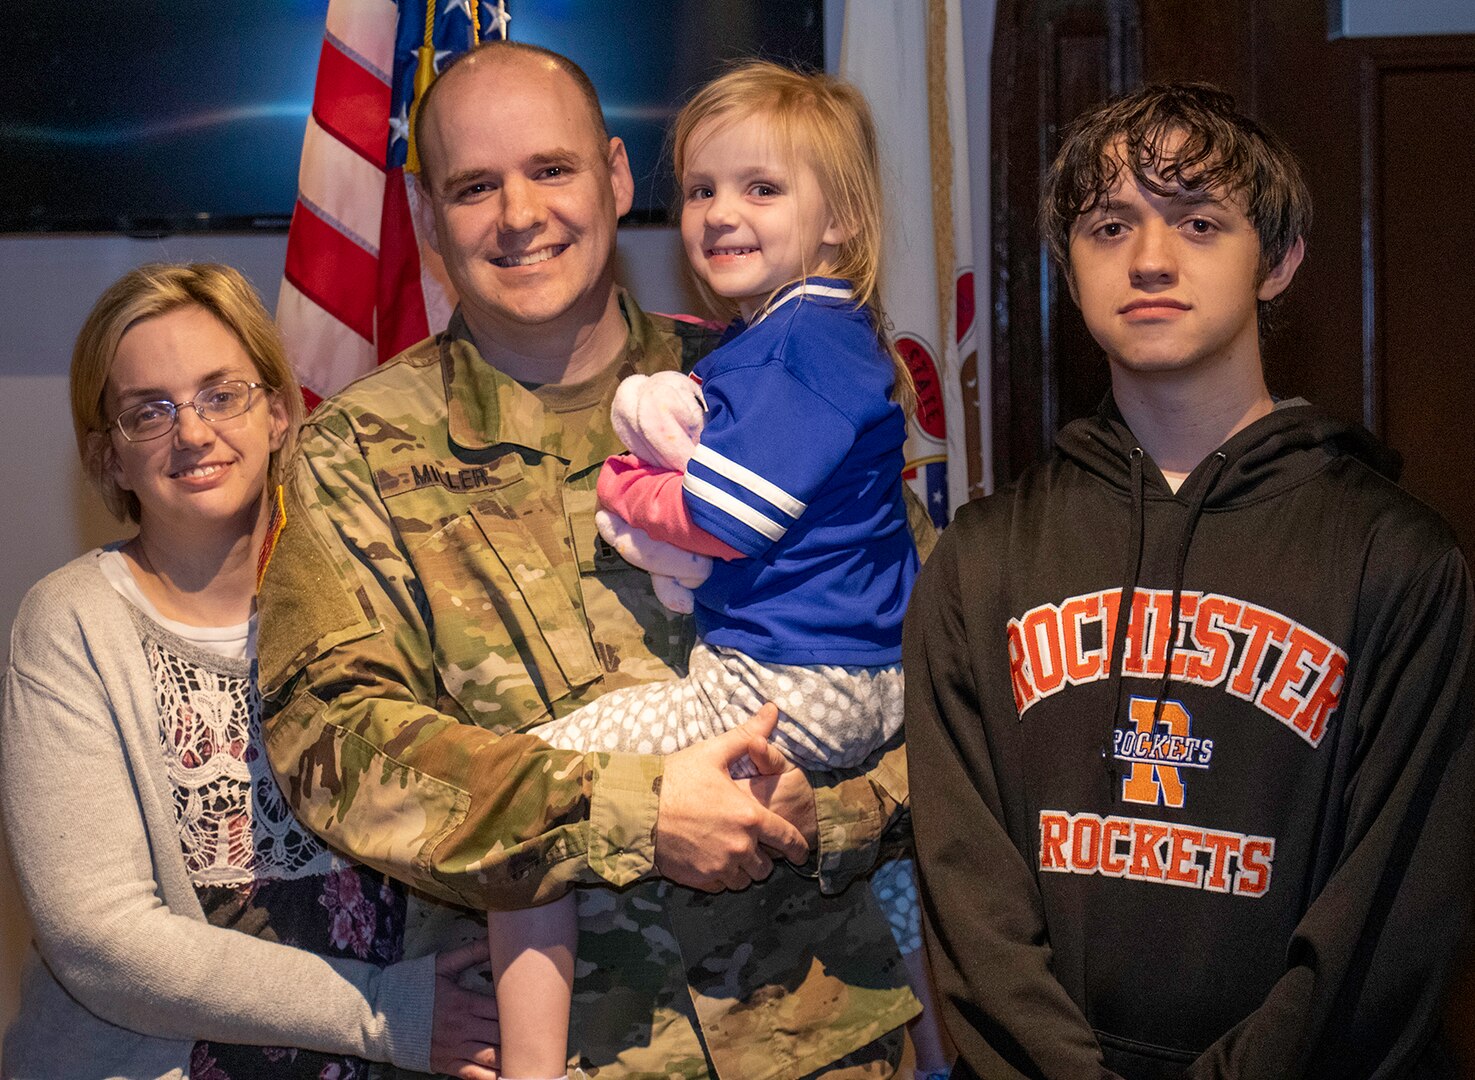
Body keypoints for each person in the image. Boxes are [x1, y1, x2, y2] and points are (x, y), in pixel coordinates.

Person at [257, 42, 919, 1080]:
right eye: (474, 187)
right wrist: (628, 814)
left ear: (615, 177)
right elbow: (332, 740)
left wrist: (815, 817)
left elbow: (922, 662)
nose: (519, 214)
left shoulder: (767, 381)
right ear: (426, 219)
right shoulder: (357, 456)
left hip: (818, 1033)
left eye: (551, 170)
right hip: (572, 1054)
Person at [905, 82, 1475, 1079]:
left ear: (1279, 260)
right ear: (1067, 263)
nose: (1150, 260)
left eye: (1198, 222)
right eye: (1109, 224)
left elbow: (1391, 912)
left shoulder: (1397, 562)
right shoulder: (981, 564)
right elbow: (968, 899)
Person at [483, 61, 948, 1080]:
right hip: (851, 689)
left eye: (759, 188)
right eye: (699, 190)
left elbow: (725, 515)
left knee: (537, 776)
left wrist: (625, 494)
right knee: (893, 886)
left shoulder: (794, 350)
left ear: (840, 223)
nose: (717, 213)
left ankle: (524, 1067)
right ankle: (936, 1036)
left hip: (785, 688)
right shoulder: (791, 343)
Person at [0, 263, 498, 1079]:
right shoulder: (69, 626)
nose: (192, 432)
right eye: (147, 411)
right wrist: (380, 1012)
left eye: (219, 394)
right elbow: (100, 941)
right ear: (111, 457)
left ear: (276, 411)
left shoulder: (385, 594)